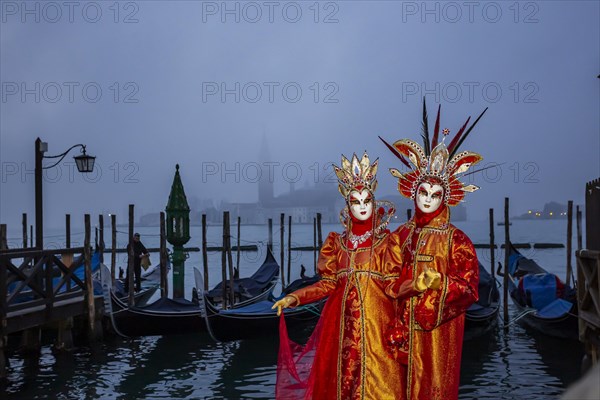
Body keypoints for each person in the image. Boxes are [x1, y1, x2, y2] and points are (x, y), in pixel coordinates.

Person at [273, 152, 403, 399]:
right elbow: (327, 284)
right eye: (356, 201)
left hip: (377, 332)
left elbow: (394, 287)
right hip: (342, 331)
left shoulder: (387, 243)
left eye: (367, 200)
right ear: (348, 206)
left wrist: (417, 285)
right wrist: (294, 298)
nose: (362, 206)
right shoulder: (337, 244)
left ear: (375, 203)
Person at [381, 101, 486, 400]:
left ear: (447, 197)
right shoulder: (400, 235)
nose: (428, 200)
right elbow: (384, 279)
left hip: (437, 335)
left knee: (432, 389)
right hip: (399, 332)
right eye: (423, 193)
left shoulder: (457, 240)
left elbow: (470, 289)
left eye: (435, 194)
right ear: (412, 192)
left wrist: (441, 283)